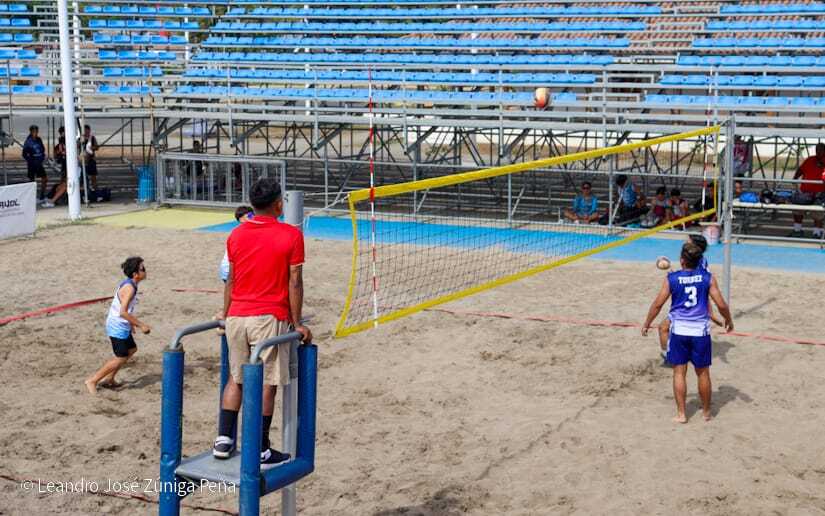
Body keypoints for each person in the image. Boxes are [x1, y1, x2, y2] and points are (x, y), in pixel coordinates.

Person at [213, 178, 312, 468]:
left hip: (237, 316)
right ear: (278, 204)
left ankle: (223, 439)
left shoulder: (236, 235)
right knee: (269, 381)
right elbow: (295, 281)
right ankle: (260, 448)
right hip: (268, 317)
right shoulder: (290, 235)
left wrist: (225, 312)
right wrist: (297, 323)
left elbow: (231, 278)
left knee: (237, 377)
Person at [642, 242, 733, 423]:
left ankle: (682, 414)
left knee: (679, 373)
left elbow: (658, 304)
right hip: (700, 332)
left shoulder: (672, 278)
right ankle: (706, 412)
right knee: (703, 373)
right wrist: (728, 320)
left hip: (679, 332)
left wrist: (647, 323)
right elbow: (721, 304)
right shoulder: (708, 277)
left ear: (682, 260)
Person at [85, 257, 151, 395]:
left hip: (122, 325)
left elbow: (123, 309)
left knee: (132, 349)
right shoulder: (129, 288)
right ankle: (92, 380)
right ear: (135, 274)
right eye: (142, 268)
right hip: (116, 326)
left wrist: (130, 324)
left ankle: (109, 378)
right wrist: (141, 325)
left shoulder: (132, 284)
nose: (145, 270)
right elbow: (123, 312)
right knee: (120, 357)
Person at [657, 235, 723, 362]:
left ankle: (670, 356)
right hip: (695, 309)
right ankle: (672, 354)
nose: (684, 243)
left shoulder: (699, 265)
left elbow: (700, 289)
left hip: (690, 310)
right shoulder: (700, 261)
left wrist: (711, 313)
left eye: (688, 241)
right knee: (667, 329)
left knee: (663, 328)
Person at [790, 143, 825, 238]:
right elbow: (801, 169)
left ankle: (817, 233)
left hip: (820, 193)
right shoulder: (810, 159)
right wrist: (795, 178)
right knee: (797, 210)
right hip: (805, 192)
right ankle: (797, 230)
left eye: (820, 150)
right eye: (816, 150)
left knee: (818, 212)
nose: (818, 152)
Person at [219, 205, 254, 283]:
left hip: (230, 270)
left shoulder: (240, 231)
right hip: (230, 271)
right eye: (249, 216)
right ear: (241, 219)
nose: (252, 217)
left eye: (252, 215)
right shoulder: (240, 233)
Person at [41, 127, 67, 208]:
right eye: (61, 133)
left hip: (69, 166)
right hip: (64, 165)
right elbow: (56, 155)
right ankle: (54, 197)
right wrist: (59, 152)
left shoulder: (69, 141)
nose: (63, 134)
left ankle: (57, 198)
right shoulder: (59, 144)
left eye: (63, 132)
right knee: (61, 182)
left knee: (65, 182)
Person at [22, 125, 47, 201]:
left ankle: (42, 195)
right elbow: (24, 154)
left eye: (37, 131)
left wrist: (42, 156)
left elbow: (42, 149)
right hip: (32, 164)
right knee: (32, 181)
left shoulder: (39, 139)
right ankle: (31, 197)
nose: (36, 133)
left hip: (39, 163)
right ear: (31, 132)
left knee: (44, 178)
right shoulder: (28, 141)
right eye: (34, 132)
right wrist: (31, 161)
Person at [82, 124, 100, 190]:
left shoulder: (92, 138)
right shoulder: (80, 138)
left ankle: (95, 189)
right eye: (85, 130)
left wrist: (92, 147)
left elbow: (97, 147)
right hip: (83, 160)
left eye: (88, 130)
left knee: (93, 176)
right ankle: (85, 189)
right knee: (83, 176)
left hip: (91, 159)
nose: (86, 132)